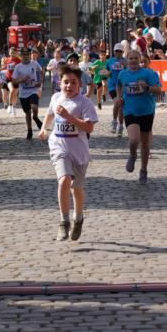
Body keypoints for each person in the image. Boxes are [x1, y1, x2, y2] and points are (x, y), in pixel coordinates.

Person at [38, 65, 98, 242]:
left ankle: (78, 218)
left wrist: (69, 117)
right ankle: (63, 221)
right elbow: (50, 115)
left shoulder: (84, 103)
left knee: (76, 188)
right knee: (64, 180)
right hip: (59, 147)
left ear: (79, 85)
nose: (69, 86)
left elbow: (89, 127)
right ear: (59, 82)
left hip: (78, 151)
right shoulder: (56, 97)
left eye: (73, 83)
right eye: (66, 82)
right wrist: (43, 129)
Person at [115, 48, 162, 184]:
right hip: (130, 110)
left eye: (136, 58)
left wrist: (147, 87)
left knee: (145, 143)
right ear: (127, 61)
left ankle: (143, 171)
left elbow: (158, 90)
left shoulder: (148, 73)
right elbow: (119, 85)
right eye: (130, 58)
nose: (133, 61)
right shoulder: (123, 74)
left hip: (147, 111)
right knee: (134, 139)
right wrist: (119, 97)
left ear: (140, 60)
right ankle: (133, 155)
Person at [11, 47, 43, 139]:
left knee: (34, 107)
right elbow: (14, 81)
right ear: (21, 56)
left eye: (27, 55)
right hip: (23, 92)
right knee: (27, 112)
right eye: (24, 55)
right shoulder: (18, 67)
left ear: (30, 55)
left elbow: (41, 71)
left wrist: (40, 82)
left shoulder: (34, 63)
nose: (26, 57)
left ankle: (36, 118)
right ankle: (30, 131)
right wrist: (22, 80)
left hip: (33, 90)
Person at [106, 44, 127, 136]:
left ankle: (121, 126)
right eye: (116, 51)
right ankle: (115, 122)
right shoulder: (109, 61)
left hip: (123, 86)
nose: (118, 53)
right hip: (112, 86)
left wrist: (125, 65)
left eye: (120, 51)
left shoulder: (126, 61)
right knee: (117, 103)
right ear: (114, 52)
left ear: (123, 52)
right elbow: (106, 72)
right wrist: (107, 73)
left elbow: (130, 70)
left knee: (121, 106)